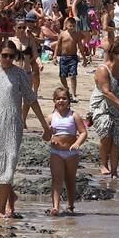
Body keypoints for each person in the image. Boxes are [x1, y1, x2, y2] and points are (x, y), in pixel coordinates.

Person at [0, 38, 48, 222]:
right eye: (4, 56)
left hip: (11, 123)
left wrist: (44, 125)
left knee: (7, 163)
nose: (7, 59)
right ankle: (11, 197)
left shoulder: (20, 74)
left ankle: (1, 209)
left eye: (11, 57)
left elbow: (31, 99)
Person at [88, 43, 119, 179]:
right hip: (102, 105)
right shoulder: (103, 70)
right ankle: (103, 164)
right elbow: (106, 92)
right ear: (113, 55)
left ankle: (114, 171)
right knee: (106, 132)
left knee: (117, 138)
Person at [44, 85, 88, 217]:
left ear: (68, 100)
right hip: (56, 152)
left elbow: (83, 132)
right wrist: (48, 133)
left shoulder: (74, 116)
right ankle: (55, 207)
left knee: (70, 179)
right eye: (58, 99)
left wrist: (77, 143)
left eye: (64, 98)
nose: (61, 101)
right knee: (56, 180)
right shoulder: (51, 117)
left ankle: (70, 205)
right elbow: (45, 137)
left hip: (71, 153)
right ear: (54, 101)